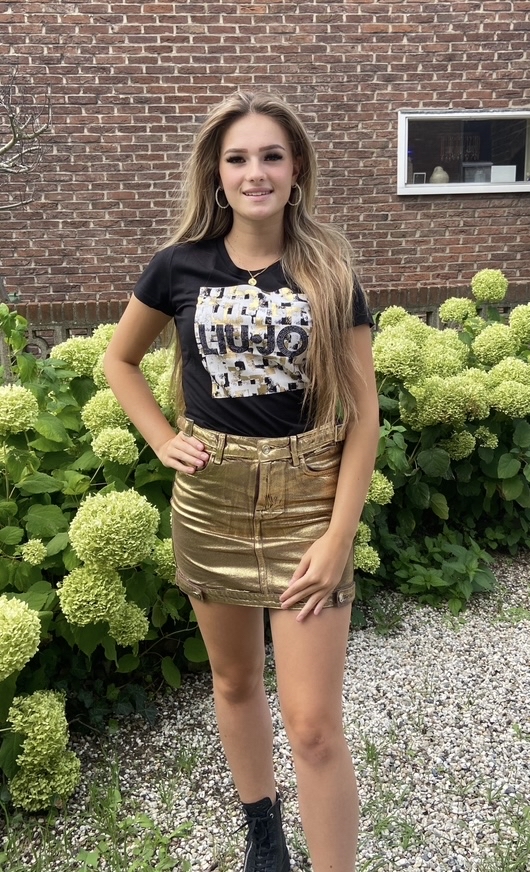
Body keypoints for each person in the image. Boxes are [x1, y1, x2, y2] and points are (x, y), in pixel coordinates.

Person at [104, 90, 380, 872]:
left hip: (306, 501)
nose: (255, 172)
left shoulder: (330, 272)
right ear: (217, 174)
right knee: (232, 682)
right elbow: (120, 360)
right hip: (212, 500)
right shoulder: (178, 265)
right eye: (238, 158)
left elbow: (365, 418)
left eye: (270, 156)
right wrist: (162, 439)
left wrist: (339, 536)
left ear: (296, 170)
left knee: (315, 725)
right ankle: (263, 827)